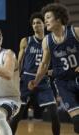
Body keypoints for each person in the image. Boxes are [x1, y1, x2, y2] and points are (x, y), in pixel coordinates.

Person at [28, 3, 79, 133]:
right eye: (45, 19)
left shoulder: (75, 32)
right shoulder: (47, 40)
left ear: (58, 18)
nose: (45, 21)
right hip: (63, 84)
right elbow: (44, 64)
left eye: (48, 17)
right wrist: (36, 81)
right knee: (77, 123)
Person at [9, 12, 60, 135]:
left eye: (38, 22)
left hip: (43, 81)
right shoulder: (26, 41)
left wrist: (52, 71)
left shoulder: (51, 41)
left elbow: (57, 63)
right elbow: (19, 62)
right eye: (33, 23)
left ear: (44, 24)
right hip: (26, 79)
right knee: (17, 115)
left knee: (54, 113)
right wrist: (16, 78)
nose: (35, 25)